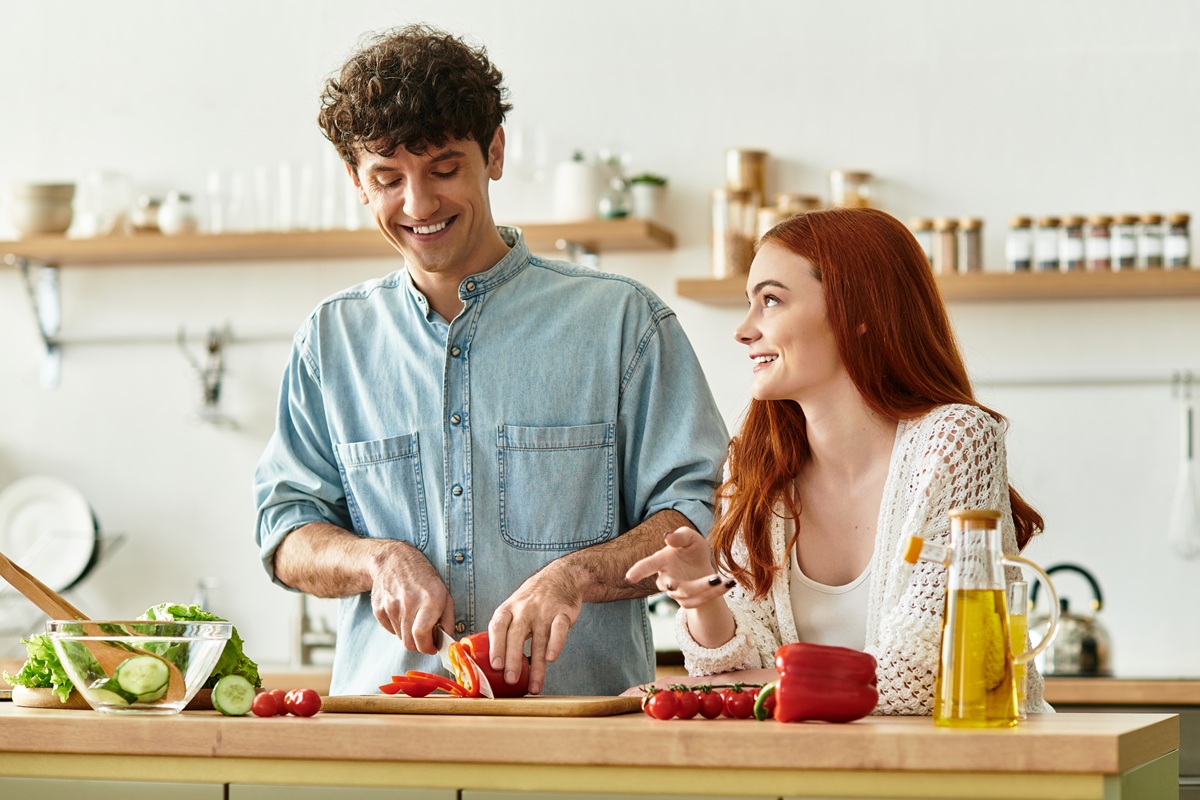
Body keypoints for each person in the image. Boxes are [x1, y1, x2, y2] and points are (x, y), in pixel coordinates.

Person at [253, 24, 728, 697]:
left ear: (494, 152)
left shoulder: (624, 323)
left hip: (581, 743)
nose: (419, 204)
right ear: (356, 182)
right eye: (388, 178)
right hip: (385, 741)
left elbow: (696, 514)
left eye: (445, 169)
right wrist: (376, 559)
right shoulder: (332, 340)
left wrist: (575, 577)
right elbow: (285, 530)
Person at [626, 207, 1049, 714]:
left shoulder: (954, 442)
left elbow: (927, 676)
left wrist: (730, 686)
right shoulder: (756, 465)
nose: (743, 330)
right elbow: (729, 671)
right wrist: (704, 600)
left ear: (858, 312)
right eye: (749, 303)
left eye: (771, 301)